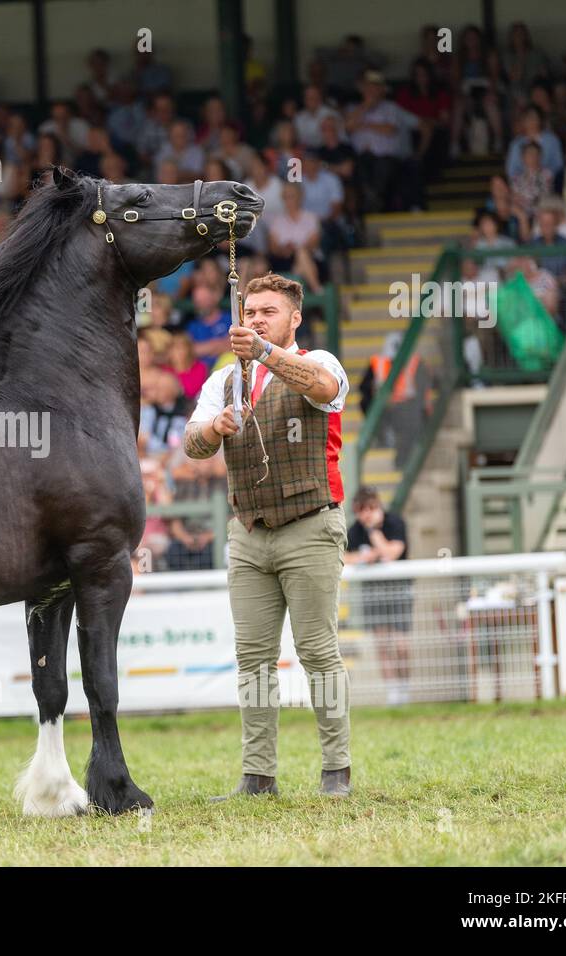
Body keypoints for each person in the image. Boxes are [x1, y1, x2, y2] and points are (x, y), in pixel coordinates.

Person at [184, 273, 352, 799]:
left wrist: (261, 352)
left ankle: (336, 772)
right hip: (249, 533)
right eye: (250, 312)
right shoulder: (223, 381)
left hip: (311, 524)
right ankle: (258, 777)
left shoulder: (321, 361)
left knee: (317, 651)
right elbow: (192, 444)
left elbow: (321, 389)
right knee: (252, 658)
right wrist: (214, 430)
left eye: (268, 312)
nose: (256, 319)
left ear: (294, 317)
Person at [343, 486, 412, 706]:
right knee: (382, 644)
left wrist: (374, 534)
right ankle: (393, 694)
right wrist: (369, 556)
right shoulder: (354, 530)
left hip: (399, 590)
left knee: (402, 645)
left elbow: (392, 553)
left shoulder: (395, 523)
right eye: (360, 510)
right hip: (373, 592)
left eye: (369, 509)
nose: (365, 515)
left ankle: (404, 689)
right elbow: (345, 557)